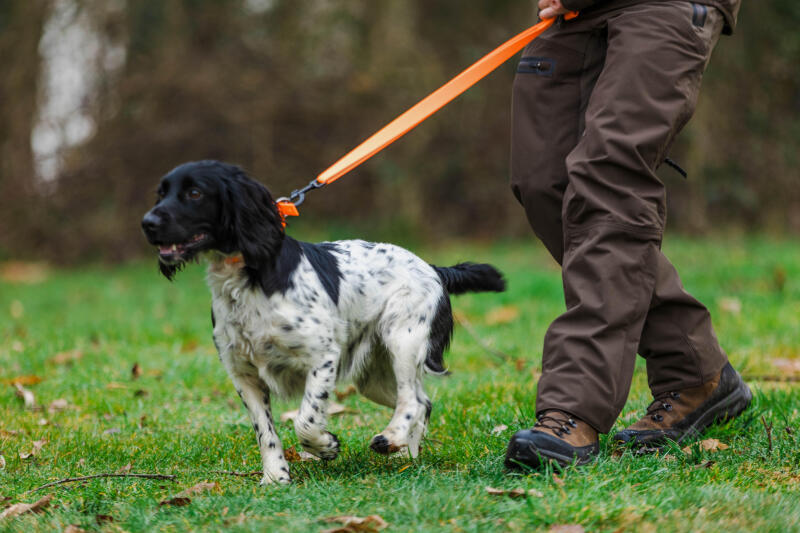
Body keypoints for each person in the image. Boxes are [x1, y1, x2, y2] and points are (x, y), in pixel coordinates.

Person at [504, 0, 751, 470]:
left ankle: (573, 408)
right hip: (580, 11)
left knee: (607, 179)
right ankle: (695, 369)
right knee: (543, 181)